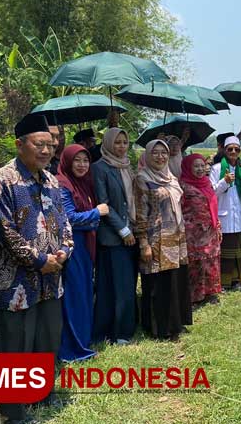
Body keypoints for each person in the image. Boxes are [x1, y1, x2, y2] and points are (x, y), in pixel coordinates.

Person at [0, 114, 73, 422]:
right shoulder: (0, 180)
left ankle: (42, 394)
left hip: (50, 279)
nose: (47, 151)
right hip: (15, 281)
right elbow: (4, 231)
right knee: (15, 345)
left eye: (50, 144)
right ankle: (14, 410)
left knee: (47, 338)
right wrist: (39, 260)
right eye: (40, 144)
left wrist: (63, 251)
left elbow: (64, 223)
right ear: (20, 145)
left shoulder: (51, 179)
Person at [134, 140, 192, 339]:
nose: (160, 157)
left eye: (163, 153)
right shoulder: (142, 178)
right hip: (155, 239)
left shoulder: (172, 178)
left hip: (176, 237)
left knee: (175, 281)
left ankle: (175, 322)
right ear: (148, 155)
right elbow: (139, 213)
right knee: (158, 284)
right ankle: (158, 328)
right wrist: (143, 243)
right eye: (155, 153)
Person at [56, 145, 108, 363]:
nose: (82, 165)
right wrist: (97, 213)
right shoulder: (62, 184)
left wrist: (91, 218)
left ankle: (82, 342)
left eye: (85, 161)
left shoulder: (84, 184)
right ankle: (72, 349)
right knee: (75, 296)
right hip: (72, 247)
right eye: (77, 160)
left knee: (85, 294)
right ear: (67, 161)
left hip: (85, 247)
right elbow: (68, 218)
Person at [91, 127, 138, 345]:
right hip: (113, 236)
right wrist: (123, 230)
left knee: (127, 284)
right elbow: (104, 203)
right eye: (117, 143)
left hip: (133, 232)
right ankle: (115, 332)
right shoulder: (100, 168)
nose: (121, 147)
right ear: (108, 144)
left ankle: (124, 329)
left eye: (124, 142)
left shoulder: (128, 166)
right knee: (114, 286)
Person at [179, 154, 222, 304]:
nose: (200, 169)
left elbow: (213, 205)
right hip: (192, 232)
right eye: (196, 166)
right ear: (188, 168)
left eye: (202, 166)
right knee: (195, 263)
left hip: (210, 228)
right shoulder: (182, 185)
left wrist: (217, 224)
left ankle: (210, 292)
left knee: (211, 261)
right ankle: (194, 295)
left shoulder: (207, 183)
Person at [210, 136, 241, 290]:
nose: (233, 152)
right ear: (225, 151)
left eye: (236, 149)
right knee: (224, 249)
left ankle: (237, 280)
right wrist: (224, 182)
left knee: (237, 250)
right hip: (224, 215)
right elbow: (211, 193)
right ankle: (222, 282)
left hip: (238, 215)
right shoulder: (216, 169)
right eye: (230, 149)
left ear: (240, 151)